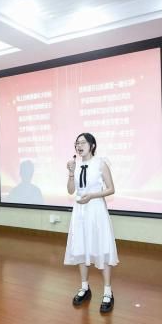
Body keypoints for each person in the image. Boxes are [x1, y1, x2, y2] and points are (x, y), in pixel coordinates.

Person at [64, 132, 118, 313]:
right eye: (77, 143)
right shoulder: (76, 165)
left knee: (102, 247)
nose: (79, 146)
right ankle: (85, 287)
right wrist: (71, 173)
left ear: (92, 145)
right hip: (80, 211)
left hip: (96, 210)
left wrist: (92, 196)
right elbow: (71, 190)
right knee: (81, 246)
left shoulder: (100, 163)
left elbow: (111, 189)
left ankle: (108, 292)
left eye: (83, 143)